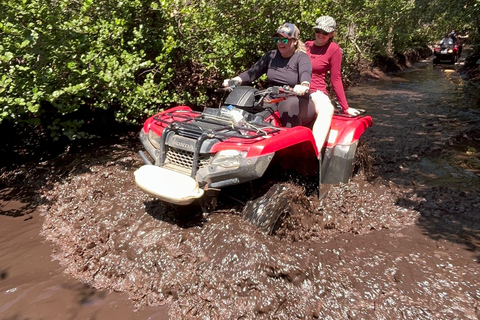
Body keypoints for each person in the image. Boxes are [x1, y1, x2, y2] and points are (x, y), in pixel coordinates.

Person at [223, 23, 316, 128]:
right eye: (277, 39)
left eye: (284, 40)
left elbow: (305, 73)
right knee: (244, 103)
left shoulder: (301, 57)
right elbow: (253, 72)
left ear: (294, 41)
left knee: (288, 106)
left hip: (297, 100)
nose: (280, 43)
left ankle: (293, 142)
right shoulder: (271, 55)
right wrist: (235, 80)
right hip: (272, 97)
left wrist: (304, 86)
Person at [305, 16, 360, 152]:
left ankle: (314, 153)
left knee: (327, 110)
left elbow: (336, 78)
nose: (321, 35)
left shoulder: (333, 49)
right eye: (318, 31)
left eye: (325, 32)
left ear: (332, 34)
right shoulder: (306, 46)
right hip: (298, 88)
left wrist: (345, 107)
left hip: (317, 91)